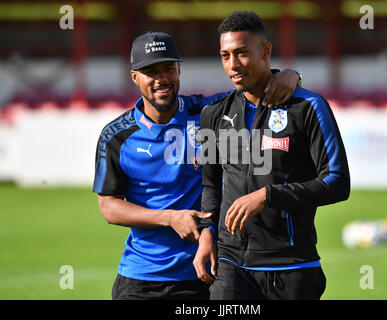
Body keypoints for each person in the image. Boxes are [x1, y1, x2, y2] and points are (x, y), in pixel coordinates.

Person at [92, 31, 301, 300]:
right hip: (141, 278)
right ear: (135, 76)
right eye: (150, 72)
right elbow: (109, 207)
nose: (162, 79)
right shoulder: (116, 135)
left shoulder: (209, 114)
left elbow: (256, 90)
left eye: (168, 68)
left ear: (179, 69)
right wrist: (169, 218)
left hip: (205, 274)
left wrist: (291, 74)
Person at [195, 11, 350, 300]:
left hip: (292, 264)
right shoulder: (213, 114)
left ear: (265, 51)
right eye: (225, 56)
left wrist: (268, 195)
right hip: (232, 264)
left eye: (241, 53)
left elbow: (337, 182)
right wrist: (207, 232)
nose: (232, 65)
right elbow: (210, 185)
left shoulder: (309, 107)